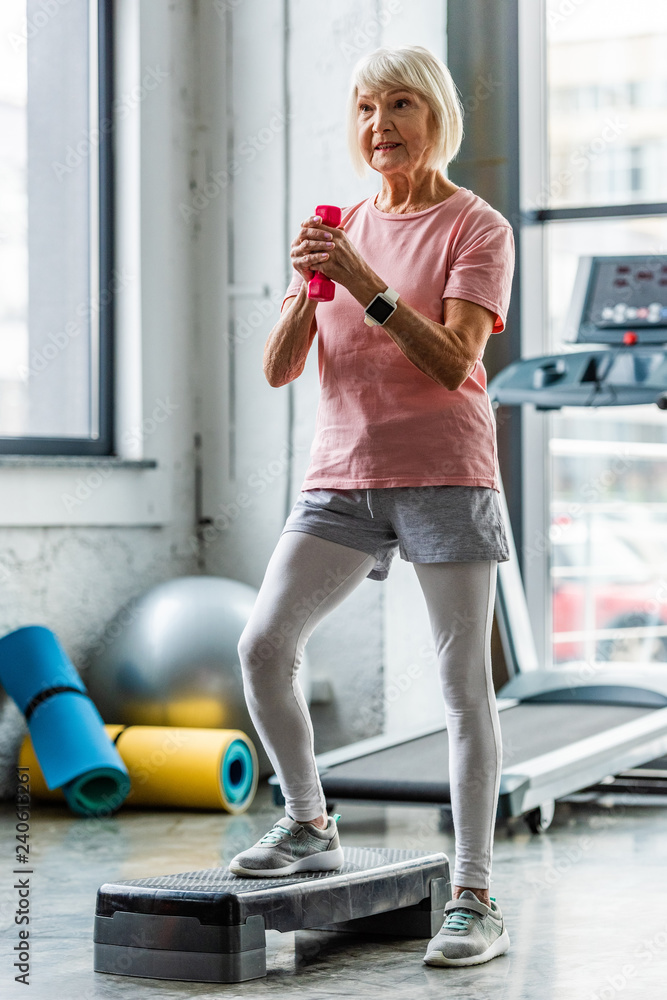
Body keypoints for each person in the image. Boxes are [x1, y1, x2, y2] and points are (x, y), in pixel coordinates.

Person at [231, 43, 515, 969]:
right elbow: (279, 370)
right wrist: (308, 286)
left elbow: (457, 363)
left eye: (398, 106)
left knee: (461, 687)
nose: (378, 126)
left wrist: (361, 282)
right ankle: (308, 821)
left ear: (435, 116)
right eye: (363, 109)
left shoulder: (476, 228)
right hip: (341, 477)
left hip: (444, 473)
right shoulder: (338, 223)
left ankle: (474, 896)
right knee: (265, 645)